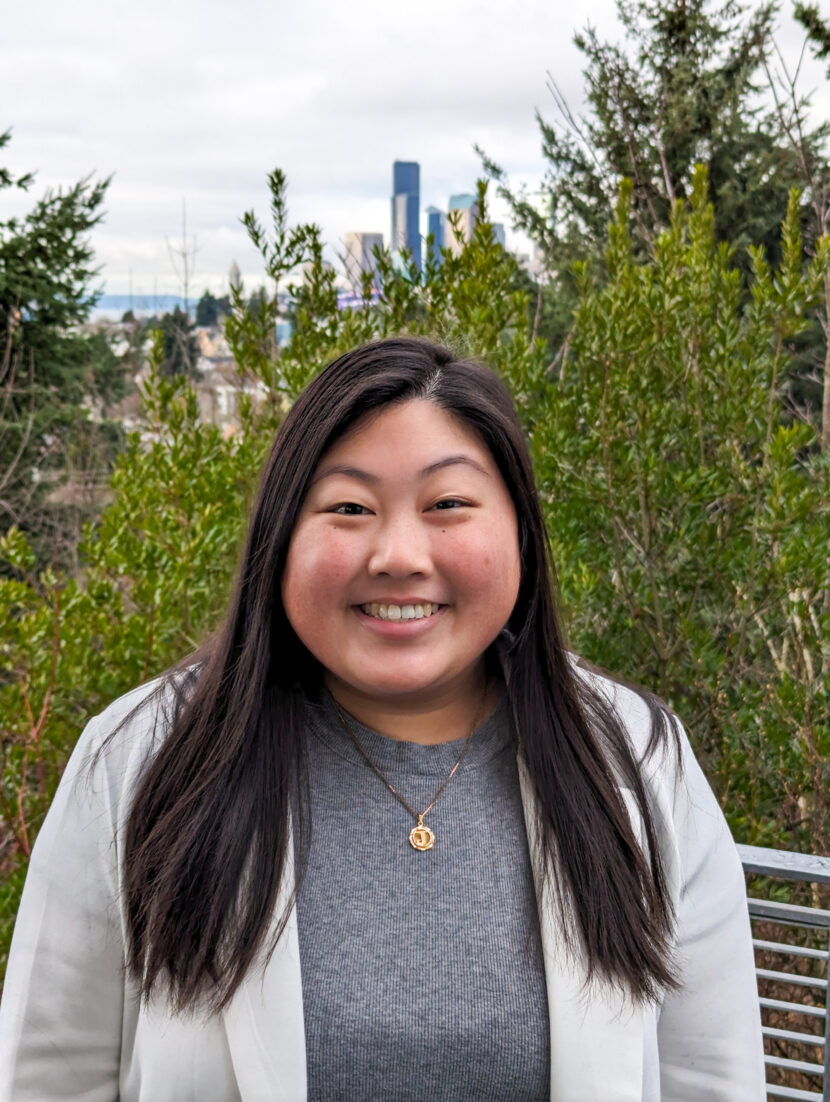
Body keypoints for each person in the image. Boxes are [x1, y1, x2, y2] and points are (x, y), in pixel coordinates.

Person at [0, 337, 764, 1101]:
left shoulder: (636, 762)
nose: (399, 554)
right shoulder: (142, 762)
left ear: (522, 533)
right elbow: (48, 1077)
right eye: (349, 508)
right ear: (280, 541)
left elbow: (712, 1078)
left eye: (448, 506)